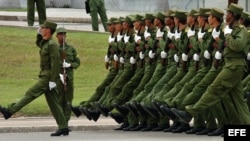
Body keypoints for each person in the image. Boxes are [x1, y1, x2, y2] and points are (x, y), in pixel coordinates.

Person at [171, 3, 250, 126]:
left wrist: (227, 36)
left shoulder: (241, 30)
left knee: (213, 90)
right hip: (231, 65)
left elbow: (237, 46)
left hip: (234, 66)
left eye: (228, 13)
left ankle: (190, 113)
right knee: (238, 101)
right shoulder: (232, 30)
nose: (226, 15)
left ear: (233, 15)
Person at [0, 20, 69, 136]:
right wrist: (38, 34)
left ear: (48, 30)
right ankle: (63, 127)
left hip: (47, 77)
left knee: (31, 93)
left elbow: (55, 64)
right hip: (45, 75)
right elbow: (39, 43)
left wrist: (52, 81)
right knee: (54, 103)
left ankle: (10, 111)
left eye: (43, 28)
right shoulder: (46, 43)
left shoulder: (52, 45)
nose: (41, 29)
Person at [56, 27, 81, 126]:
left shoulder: (71, 49)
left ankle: (65, 122)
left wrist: (70, 65)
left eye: (64, 35)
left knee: (68, 100)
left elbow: (77, 62)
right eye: (60, 35)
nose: (62, 37)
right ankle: (61, 122)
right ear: (57, 36)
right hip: (58, 78)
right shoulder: (54, 48)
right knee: (59, 100)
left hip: (69, 78)